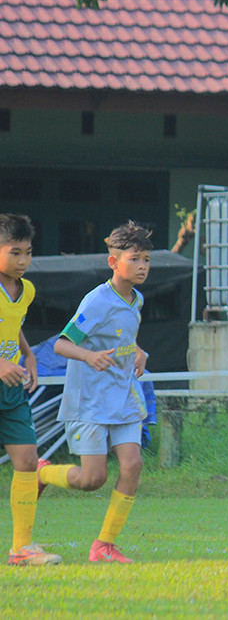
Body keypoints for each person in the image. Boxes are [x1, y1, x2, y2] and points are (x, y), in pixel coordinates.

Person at [37, 221, 152, 564]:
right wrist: (89, 356)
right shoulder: (97, 301)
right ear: (113, 262)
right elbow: (61, 344)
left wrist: (138, 350)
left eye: (147, 259)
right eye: (135, 259)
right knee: (92, 479)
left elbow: (121, 336)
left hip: (123, 395)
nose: (143, 266)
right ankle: (42, 472)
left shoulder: (137, 298)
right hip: (90, 400)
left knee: (132, 466)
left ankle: (104, 545)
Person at [0, 214, 61, 566]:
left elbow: (14, 324)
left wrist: (28, 354)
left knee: (26, 461)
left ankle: (21, 548)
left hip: (11, 391)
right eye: (14, 253)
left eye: (28, 253)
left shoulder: (28, 291)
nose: (23, 261)